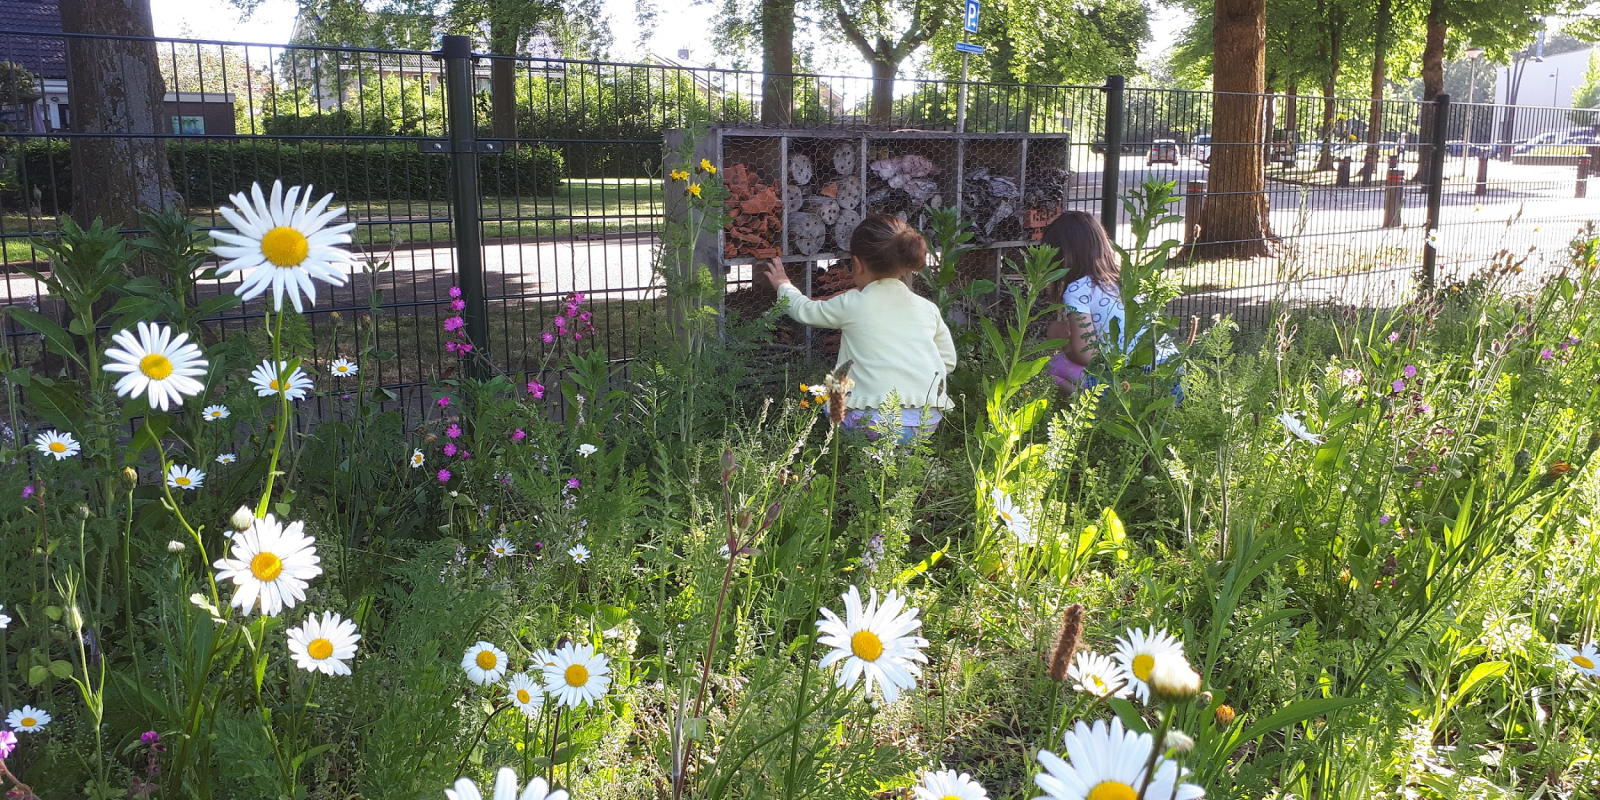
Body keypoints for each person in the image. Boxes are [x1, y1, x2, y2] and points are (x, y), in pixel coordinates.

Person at [761, 214, 956, 441]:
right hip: (925, 424)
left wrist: (784, 285)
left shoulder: (853, 302)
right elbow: (948, 361)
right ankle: (903, 451)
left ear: (857, 264)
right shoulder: (928, 308)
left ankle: (865, 447)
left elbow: (805, 311)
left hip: (872, 423)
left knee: (829, 401)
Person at [1039, 210, 1175, 393]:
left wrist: (1060, 338)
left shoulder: (1077, 290)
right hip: (1172, 379)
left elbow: (1086, 355)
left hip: (1131, 386)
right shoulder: (1127, 281)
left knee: (1052, 367)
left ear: (1061, 257)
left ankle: (1094, 404)